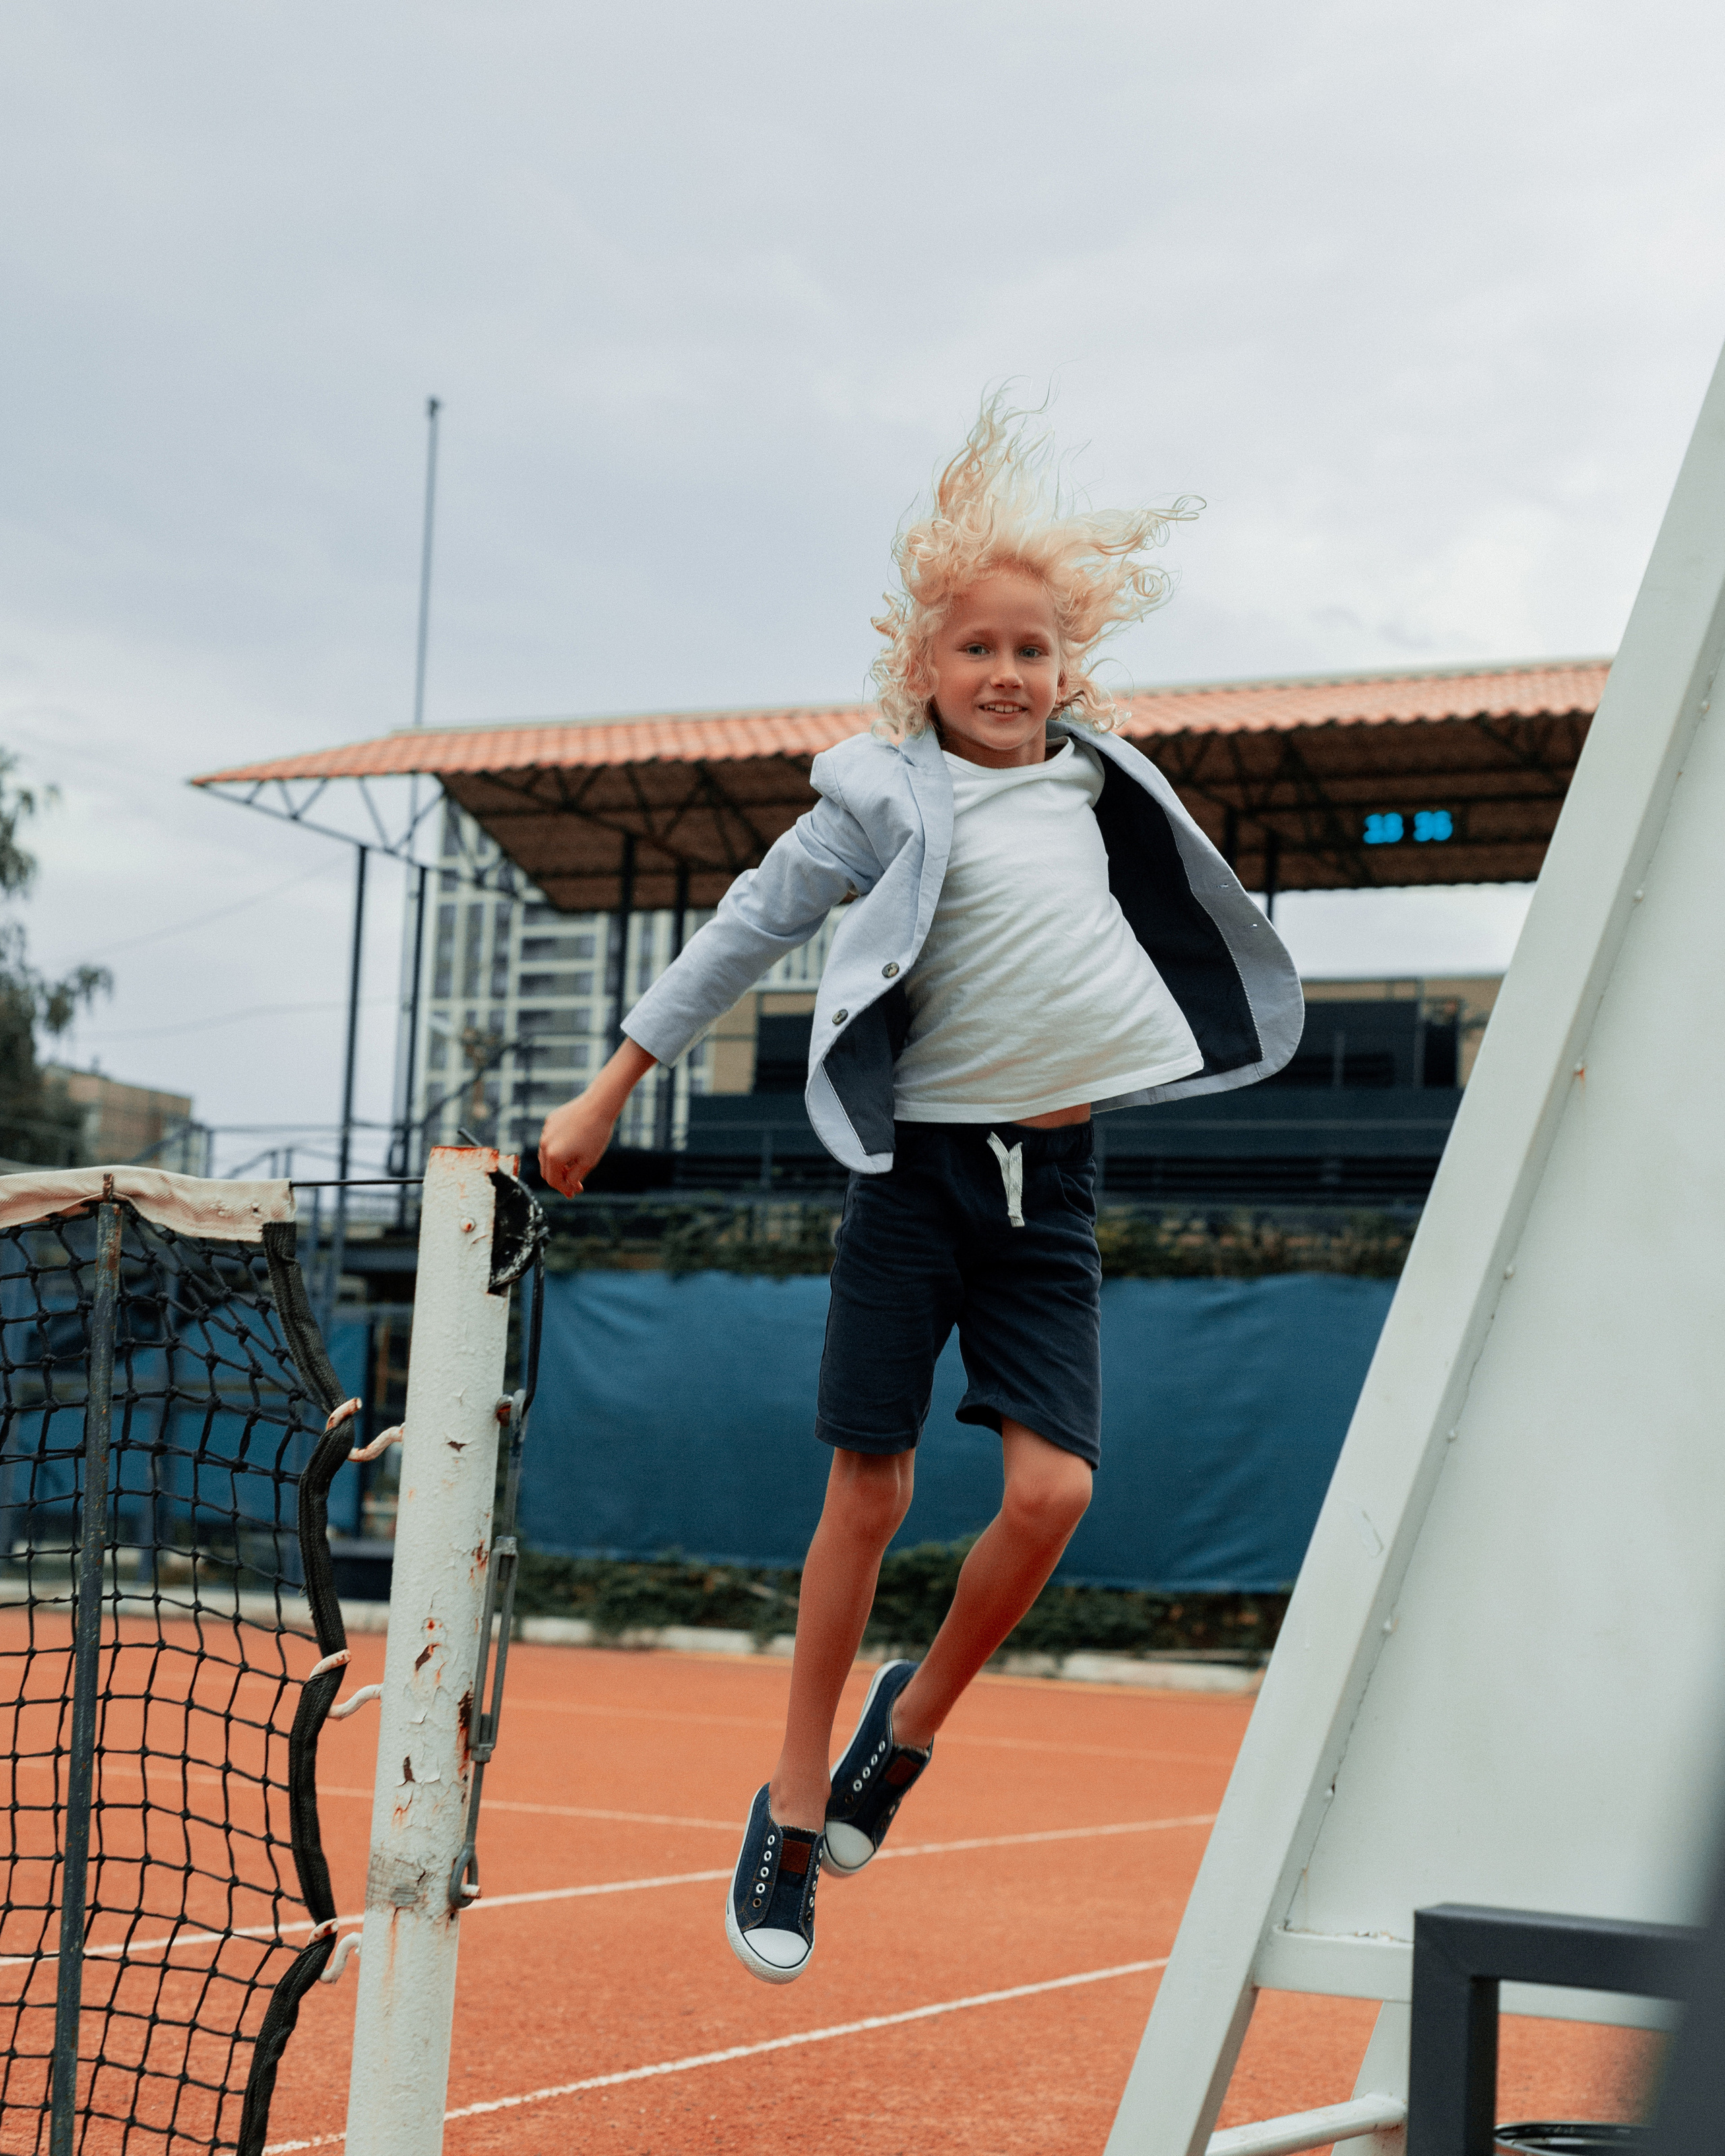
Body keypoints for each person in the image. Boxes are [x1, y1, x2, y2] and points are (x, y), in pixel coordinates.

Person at [538, 400, 1302, 1983]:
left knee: (1052, 1495)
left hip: (1052, 1186)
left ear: (1065, 669)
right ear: (923, 669)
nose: (1006, 674)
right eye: (975, 650)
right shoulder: (875, 798)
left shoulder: (1101, 789)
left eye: (1032, 650)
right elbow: (743, 928)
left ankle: (913, 1720)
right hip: (913, 1175)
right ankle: (796, 1803)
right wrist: (613, 1080)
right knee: (869, 1497)